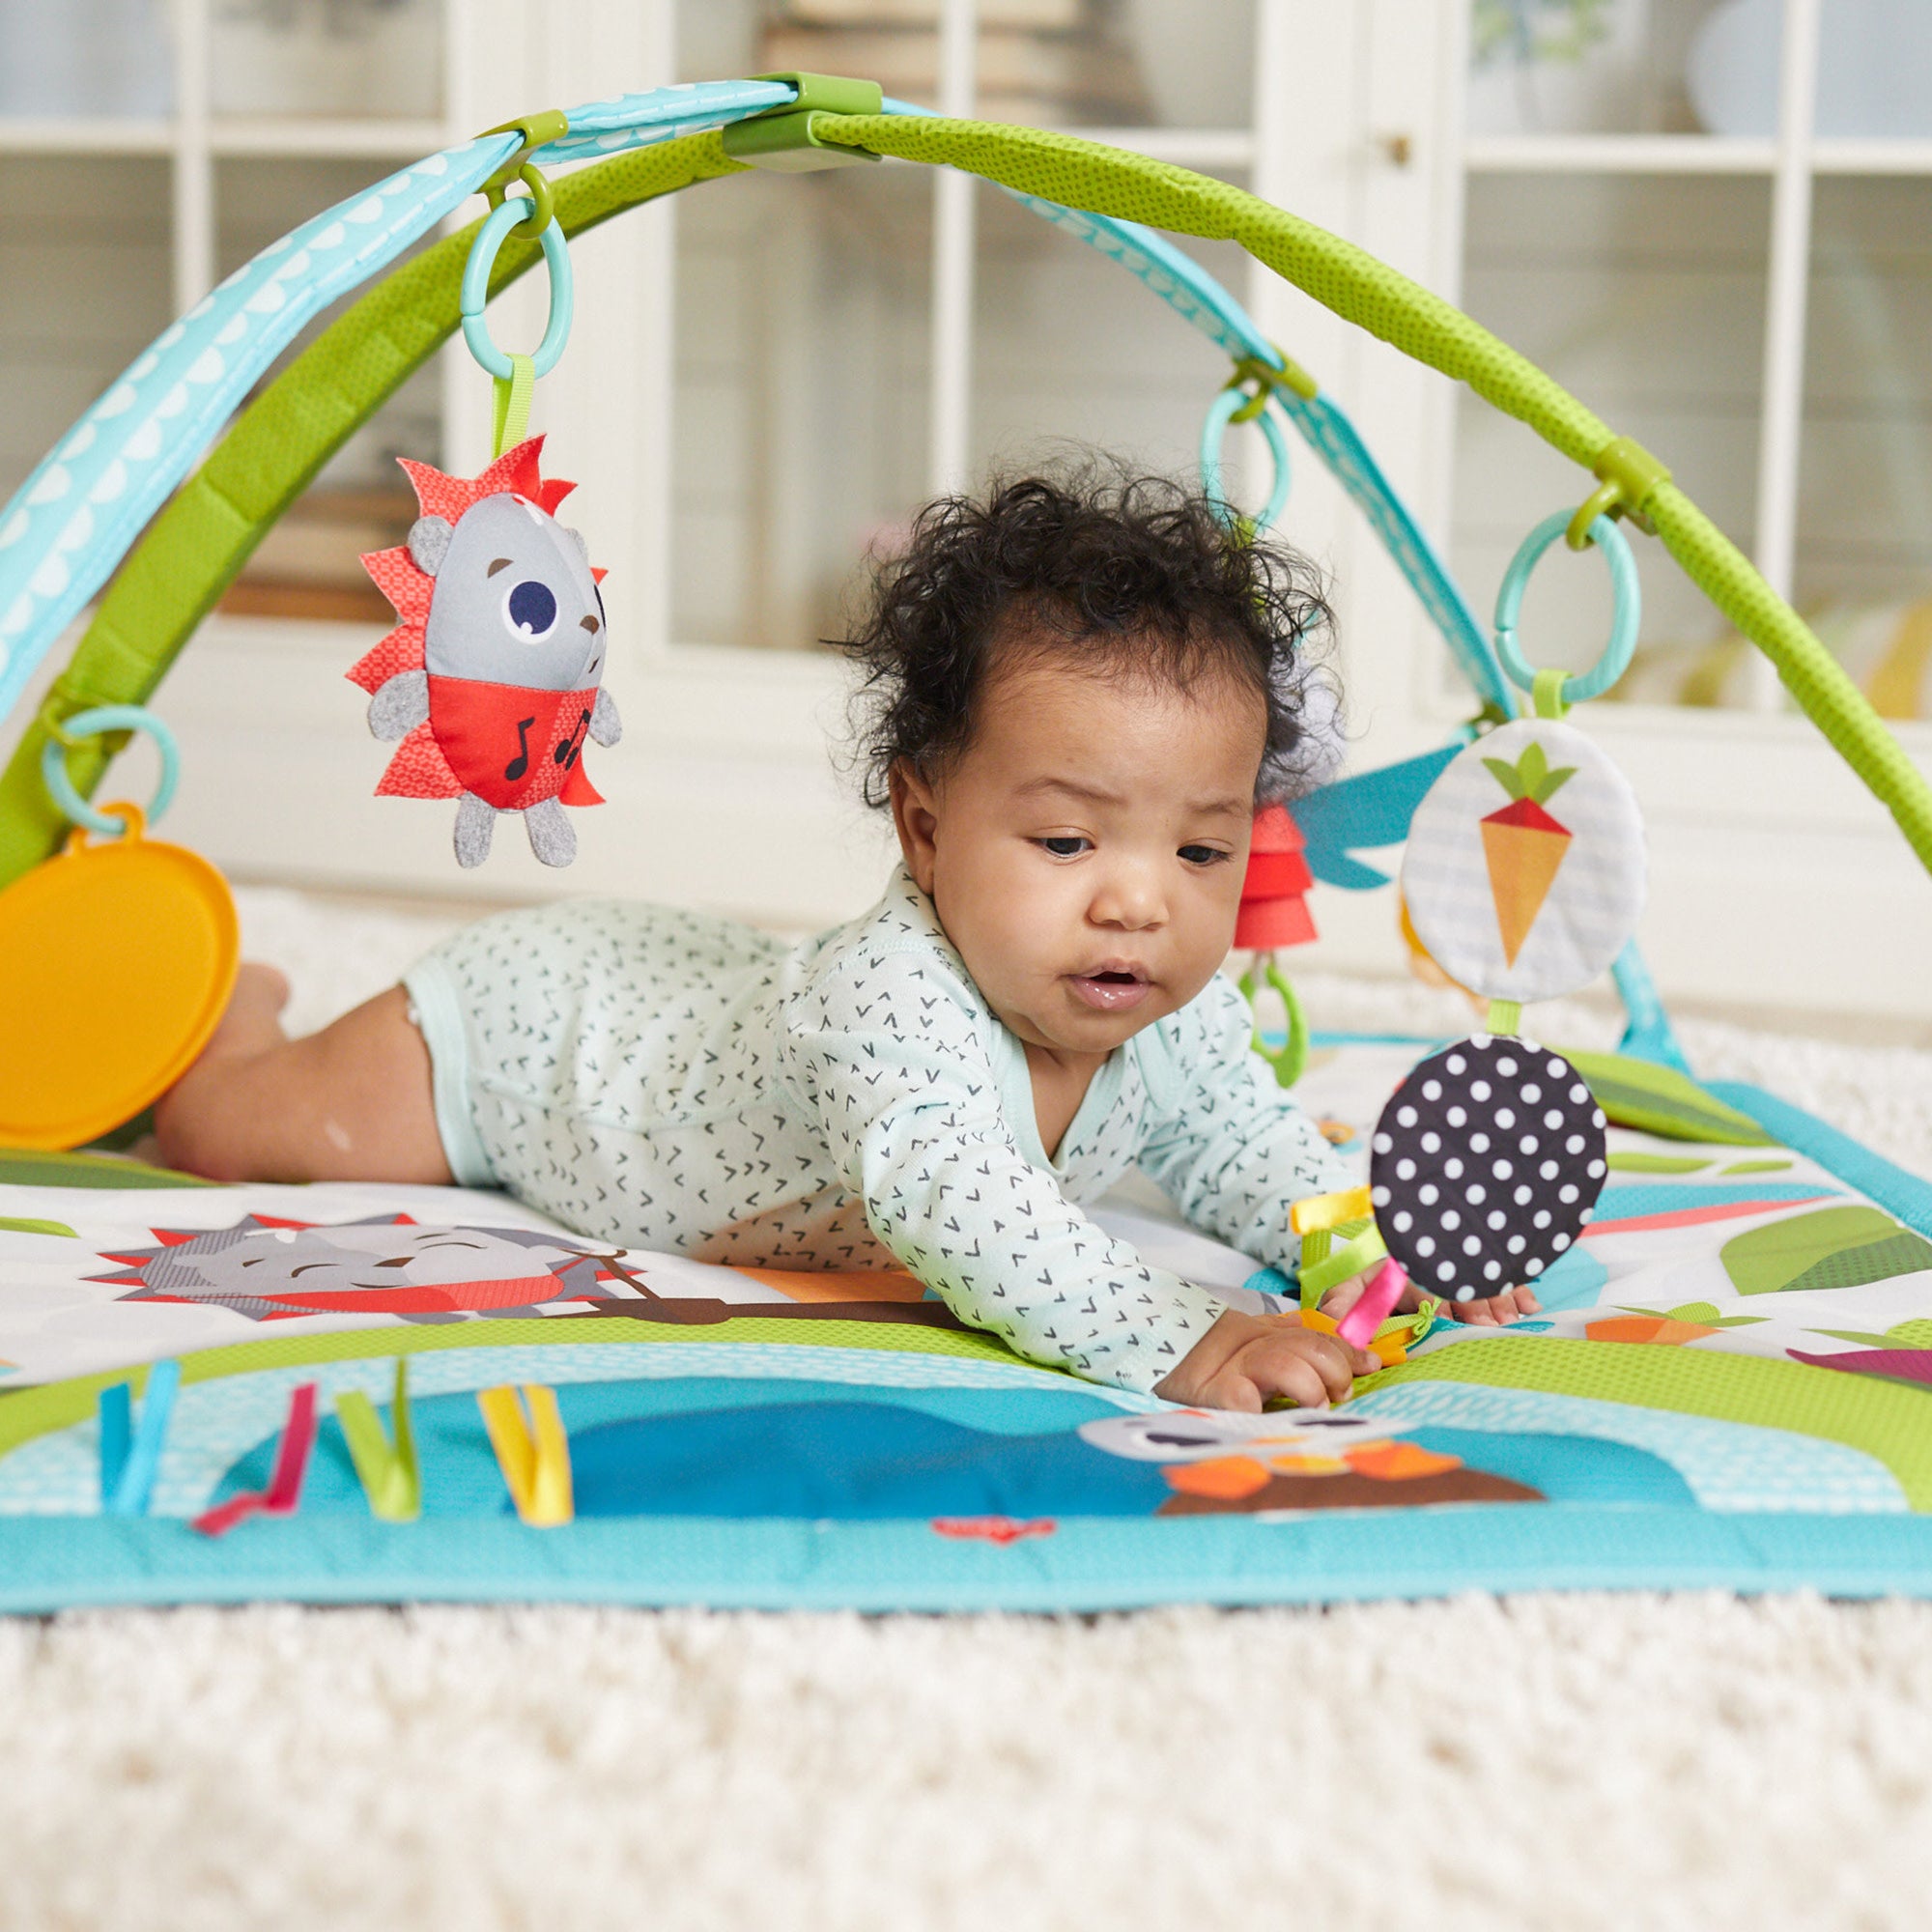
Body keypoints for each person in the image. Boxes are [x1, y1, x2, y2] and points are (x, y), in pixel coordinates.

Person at [155, 468, 1537, 1409]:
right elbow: (968, 1216)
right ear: (925, 829)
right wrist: (1188, 1334)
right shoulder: (887, 1002)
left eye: (1202, 849)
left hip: (698, 1000)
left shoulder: (1171, 1002)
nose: (1141, 902)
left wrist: (1375, 1251)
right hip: (544, 1054)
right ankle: (240, 1010)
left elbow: (1244, 1148)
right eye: (1066, 842)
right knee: (228, 1130)